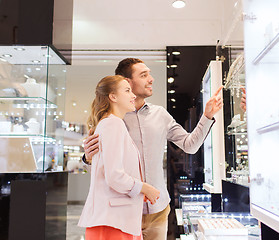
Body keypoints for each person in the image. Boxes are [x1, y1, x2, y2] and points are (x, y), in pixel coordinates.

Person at [83, 58, 223, 240]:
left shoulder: (160, 115)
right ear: (126, 81)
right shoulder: (111, 120)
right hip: (122, 211)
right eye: (143, 75)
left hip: (158, 209)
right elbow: (102, 171)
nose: (151, 79)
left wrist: (207, 116)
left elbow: (190, 145)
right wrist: (87, 158)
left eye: (149, 73)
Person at [78, 75, 160, 240]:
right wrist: (145, 188)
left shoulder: (110, 124)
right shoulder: (113, 124)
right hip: (114, 222)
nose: (133, 95)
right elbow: (114, 176)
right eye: (127, 90)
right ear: (112, 96)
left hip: (115, 220)